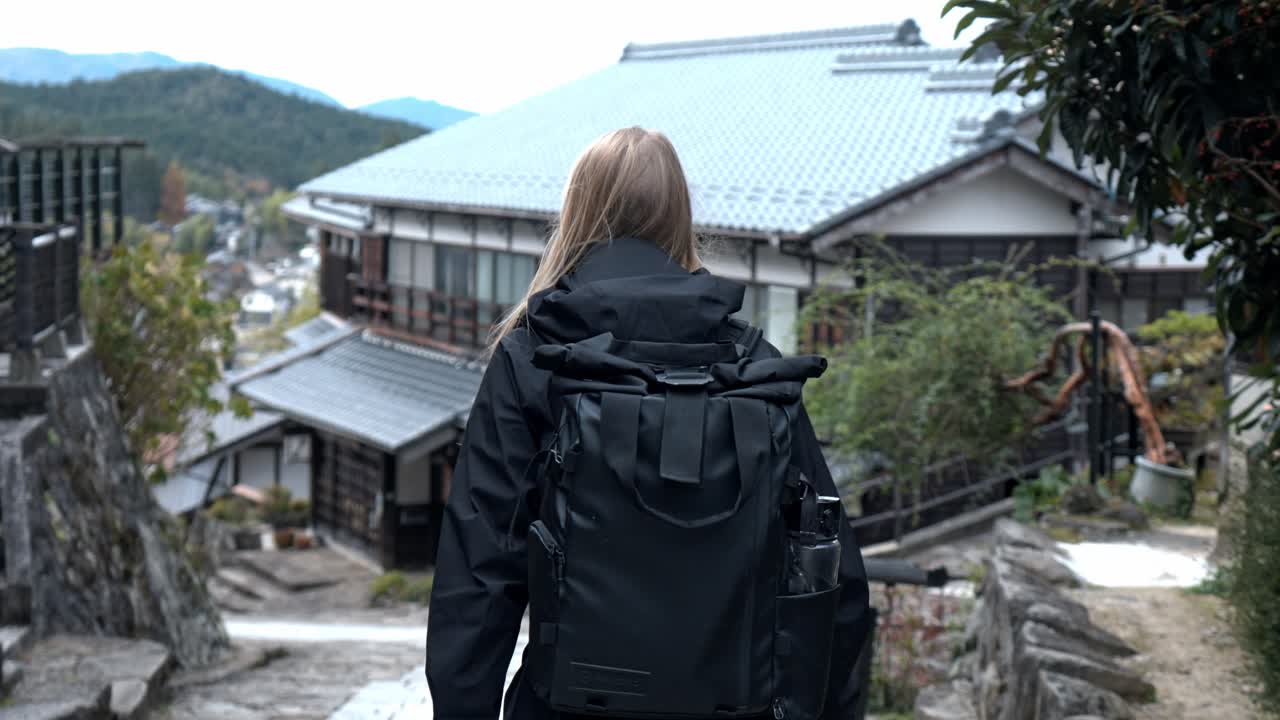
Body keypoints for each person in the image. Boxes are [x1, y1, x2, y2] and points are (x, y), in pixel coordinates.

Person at [426, 127, 871, 720]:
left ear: (578, 210)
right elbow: (834, 572)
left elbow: (480, 571)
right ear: (680, 215)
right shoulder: (749, 362)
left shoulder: (536, 355)